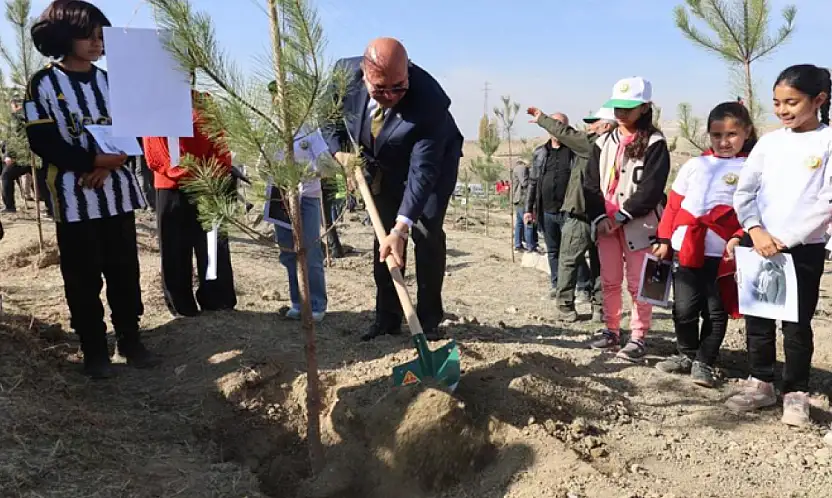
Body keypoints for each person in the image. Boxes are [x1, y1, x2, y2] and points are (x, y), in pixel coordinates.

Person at [25, 0, 156, 378]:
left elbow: (134, 129)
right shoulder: (44, 83)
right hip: (74, 199)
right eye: (89, 35)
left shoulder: (111, 81)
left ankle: (131, 341)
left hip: (118, 196)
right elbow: (43, 139)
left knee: (124, 271)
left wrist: (114, 161)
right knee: (82, 277)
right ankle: (94, 349)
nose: (98, 42)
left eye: (102, 35)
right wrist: (92, 163)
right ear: (65, 36)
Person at [325, 37, 463, 342]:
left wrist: (402, 229)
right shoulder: (343, 75)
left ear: (408, 71)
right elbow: (328, 119)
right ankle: (387, 319)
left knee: (425, 232)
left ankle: (428, 321)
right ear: (364, 75)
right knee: (382, 236)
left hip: (433, 165)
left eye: (398, 87)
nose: (390, 95)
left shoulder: (429, 102)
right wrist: (341, 154)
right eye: (380, 88)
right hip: (381, 161)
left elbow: (422, 172)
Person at [725, 64, 832, 426]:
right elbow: (745, 192)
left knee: (796, 324)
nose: (783, 110)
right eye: (777, 102)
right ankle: (761, 382)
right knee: (759, 318)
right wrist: (755, 230)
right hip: (760, 245)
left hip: (802, 249)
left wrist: (787, 239)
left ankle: (796, 392)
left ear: (818, 100)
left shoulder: (827, 142)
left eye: (791, 102)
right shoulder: (770, 143)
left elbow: (827, 202)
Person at [653, 101, 756, 387]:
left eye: (731, 135)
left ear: (746, 132)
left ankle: (705, 360)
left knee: (715, 309)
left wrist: (738, 235)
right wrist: (664, 239)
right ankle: (685, 353)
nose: (724, 142)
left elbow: (753, 208)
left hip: (722, 254)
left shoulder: (750, 167)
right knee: (684, 308)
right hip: (686, 247)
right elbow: (674, 205)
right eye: (716, 135)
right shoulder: (695, 165)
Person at [583, 77, 671, 361]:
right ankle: (611, 329)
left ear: (645, 107)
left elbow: (651, 187)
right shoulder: (602, 142)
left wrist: (623, 215)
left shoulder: (655, 143)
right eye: (617, 107)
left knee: (638, 283)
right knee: (609, 279)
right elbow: (590, 183)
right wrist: (599, 216)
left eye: (628, 107)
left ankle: (638, 336)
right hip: (606, 225)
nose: (621, 113)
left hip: (637, 224)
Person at [143, 89, 237, 318]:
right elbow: (154, 148)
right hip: (170, 185)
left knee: (213, 244)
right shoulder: (153, 102)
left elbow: (220, 140)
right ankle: (180, 303)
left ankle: (217, 297)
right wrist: (181, 171)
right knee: (175, 246)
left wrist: (213, 171)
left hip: (209, 182)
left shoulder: (203, 100)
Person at [527, 106, 615, 323]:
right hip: (604, 215)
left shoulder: (592, 144)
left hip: (583, 213)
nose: (589, 126)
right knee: (600, 265)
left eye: (594, 122)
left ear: (606, 126)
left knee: (568, 261)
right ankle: (599, 309)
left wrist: (542, 119)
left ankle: (566, 307)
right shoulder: (615, 147)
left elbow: (565, 133)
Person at [524, 113, 575, 297]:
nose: (556, 128)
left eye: (560, 124)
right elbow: (533, 182)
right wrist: (529, 209)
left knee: (572, 252)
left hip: (570, 212)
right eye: (553, 124)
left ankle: (583, 287)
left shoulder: (574, 151)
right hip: (546, 210)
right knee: (553, 251)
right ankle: (556, 285)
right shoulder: (540, 152)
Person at [1, 98, 30, 213]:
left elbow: (15, 138)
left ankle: (10, 206)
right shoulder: (30, 115)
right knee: (41, 180)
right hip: (32, 155)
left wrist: (9, 155)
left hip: (23, 156)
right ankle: (50, 208)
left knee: (6, 175)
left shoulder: (18, 117)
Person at [511, 158, 537, 252]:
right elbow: (525, 183)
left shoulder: (516, 168)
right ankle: (531, 246)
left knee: (520, 223)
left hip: (518, 200)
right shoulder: (522, 168)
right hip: (523, 199)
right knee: (528, 222)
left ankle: (518, 245)